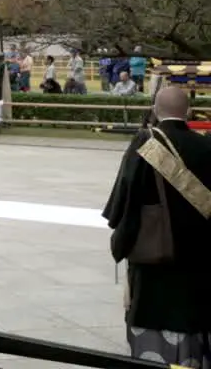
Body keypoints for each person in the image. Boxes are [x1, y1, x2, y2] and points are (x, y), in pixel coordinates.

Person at [104, 87, 211, 366]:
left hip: (152, 261)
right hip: (198, 264)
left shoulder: (144, 145)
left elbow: (121, 206)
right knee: (194, 325)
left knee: (152, 335)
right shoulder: (207, 146)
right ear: (188, 112)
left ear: (154, 110)